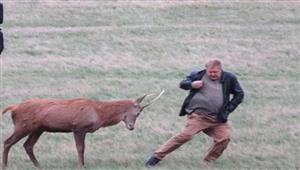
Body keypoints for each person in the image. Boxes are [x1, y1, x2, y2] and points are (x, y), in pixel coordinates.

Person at [145, 59, 244, 166]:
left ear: (221, 70)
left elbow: (239, 94)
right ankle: (156, 157)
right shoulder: (198, 75)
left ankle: (208, 161)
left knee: (224, 139)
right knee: (185, 136)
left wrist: (228, 109)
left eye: (215, 72)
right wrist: (192, 84)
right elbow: (182, 84)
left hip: (218, 118)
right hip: (198, 116)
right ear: (206, 70)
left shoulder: (229, 78)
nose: (213, 74)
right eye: (210, 72)